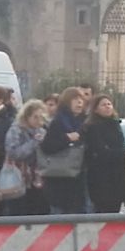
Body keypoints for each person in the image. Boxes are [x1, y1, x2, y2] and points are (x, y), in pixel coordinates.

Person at [40, 87, 86, 215]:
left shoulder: (84, 122)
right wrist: (66, 138)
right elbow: (47, 146)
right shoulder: (58, 122)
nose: (79, 103)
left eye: (81, 100)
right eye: (75, 100)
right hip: (59, 179)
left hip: (78, 179)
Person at [83, 94, 125, 213]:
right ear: (96, 109)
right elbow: (101, 152)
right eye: (103, 105)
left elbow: (122, 148)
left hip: (118, 176)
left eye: (109, 104)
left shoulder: (115, 124)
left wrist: (121, 153)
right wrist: (119, 153)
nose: (107, 107)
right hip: (101, 177)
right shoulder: (93, 127)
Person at [3, 100, 49, 216]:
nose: (39, 121)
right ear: (27, 117)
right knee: (19, 211)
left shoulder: (42, 131)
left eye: (41, 117)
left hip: (37, 179)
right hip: (19, 178)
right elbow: (13, 153)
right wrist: (34, 143)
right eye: (35, 117)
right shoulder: (16, 130)